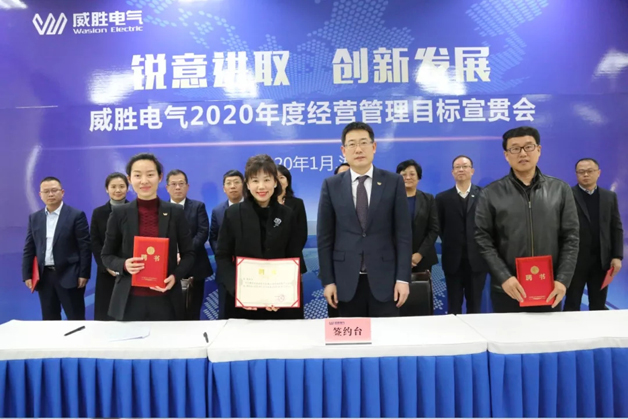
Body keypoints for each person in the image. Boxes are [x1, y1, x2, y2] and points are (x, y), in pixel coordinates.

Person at [475, 126, 579, 313]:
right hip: (508, 289)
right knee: (508, 332)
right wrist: (504, 277)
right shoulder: (491, 193)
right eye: (515, 148)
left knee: (548, 333)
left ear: (539, 150)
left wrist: (563, 279)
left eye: (528, 147)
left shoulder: (560, 190)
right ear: (506, 155)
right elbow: (483, 239)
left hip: (550, 288)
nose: (522, 153)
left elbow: (571, 238)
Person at [317, 122, 412, 317]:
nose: (358, 149)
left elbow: (403, 234)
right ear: (343, 150)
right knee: (350, 336)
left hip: (386, 280)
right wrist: (328, 281)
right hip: (345, 282)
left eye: (363, 143)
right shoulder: (331, 185)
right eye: (352, 144)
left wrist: (403, 279)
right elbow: (325, 237)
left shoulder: (393, 182)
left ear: (374, 147)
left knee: (385, 335)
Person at [101, 153, 195, 321]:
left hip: (166, 298)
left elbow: (189, 254)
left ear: (160, 177)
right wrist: (123, 264)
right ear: (130, 179)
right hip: (129, 299)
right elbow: (106, 255)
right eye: (138, 175)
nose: (144, 181)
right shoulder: (119, 213)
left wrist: (175, 276)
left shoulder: (175, 212)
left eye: (150, 174)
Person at [215, 154, 303, 319]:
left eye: (267, 180)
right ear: (247, 184)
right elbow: (222, 255)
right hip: (243, 301)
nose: (261, 186)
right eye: (255, 181)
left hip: (279, 302)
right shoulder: (233, 214)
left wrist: (283, 293)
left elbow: (293, 256)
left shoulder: (287, 214)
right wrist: (238, 290)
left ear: (275, 182)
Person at [22, 177, 91, 320]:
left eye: (54, 190)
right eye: (46, 191)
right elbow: (29, 247)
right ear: (40, 195)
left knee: (76, 318)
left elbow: (84, 247)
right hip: (44, 277)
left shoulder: (76, 215)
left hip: (70, 275)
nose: (50, 194)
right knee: (49, 320)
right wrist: (27, 274)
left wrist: (84, 274)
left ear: (62, 192)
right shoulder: (35, 218)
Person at [564, 158, 623, 311]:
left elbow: (616, 228)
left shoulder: (609, 197)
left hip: (601, 261)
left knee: (598, 305)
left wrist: (617, 256)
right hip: (575, 261)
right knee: (572, 303)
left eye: (590, 171)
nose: (586, 175)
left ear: (598, 173)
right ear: (576, 174)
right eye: (581, 172)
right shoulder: (567, 195)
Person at [435, 156, 488, 314]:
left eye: (465, 166)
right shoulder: (442, 198)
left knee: (475, 305)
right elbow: (439, 227)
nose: (461, 170)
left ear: (472, 171)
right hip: (453, 261)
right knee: (454, 305)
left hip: (477, 260)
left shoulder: (484, 195)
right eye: (457, 167)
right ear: (452, 172)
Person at [166, 169, 213, 320]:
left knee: (193, 309)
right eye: (173, 184)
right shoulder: (161, 209)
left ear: (187, 186)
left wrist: (184, 253)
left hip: (195, 266)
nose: (177, 187)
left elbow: (202, 232)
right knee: (171, 311)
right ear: (167, 187)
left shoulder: (198, 206)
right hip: (169, 267)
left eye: (181, 184)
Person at [90, 172, 129, 321]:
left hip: (130, 270)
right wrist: (106, 266)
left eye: (121, 186)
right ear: (107, 189)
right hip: (106, 272)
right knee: (105, 315)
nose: (117, 190)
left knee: (129, 314)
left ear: (127, 188)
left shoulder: (135, 210)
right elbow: (95, 242)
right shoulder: (98, 213)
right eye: (113, 187)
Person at [209, 169, 244, 319]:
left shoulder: (252, 208)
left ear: (244, 185)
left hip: (249, 268)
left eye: (236, 182)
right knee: (225, 312)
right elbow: (213, 237)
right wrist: (223, 254)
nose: (233, 186)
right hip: (226, 269)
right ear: (224, 188)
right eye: (229, 183)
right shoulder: (217, 211)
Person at [396, 159, 439, 273]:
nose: (408, 177)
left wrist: (419, 254)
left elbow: (434, 229)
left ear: (418, 177)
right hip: (395, 258)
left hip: (422, 259)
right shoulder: (390, 199)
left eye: (412, 174)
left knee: (421, 285)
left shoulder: (428, 199)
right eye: (403, 174)